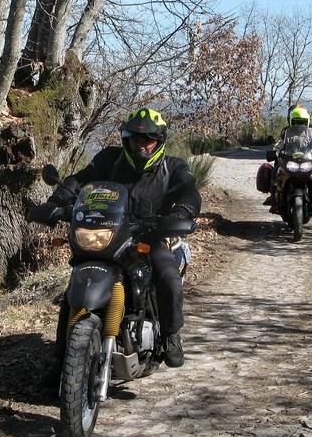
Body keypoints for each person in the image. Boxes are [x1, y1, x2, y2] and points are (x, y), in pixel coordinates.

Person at [29, 107, 201, 373]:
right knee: (74, 288)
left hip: (148, 237)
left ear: (159, 141)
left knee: (168, 277)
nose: (141, 146)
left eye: (148, 140)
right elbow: (79, 181)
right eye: (136, 139)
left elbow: (190, 193)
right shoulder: (110, 159)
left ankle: (170, 335)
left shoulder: (173, 167)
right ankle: (61, 359)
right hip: (107, 233)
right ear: (127, 139)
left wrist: (181, 213)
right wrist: (56, 203)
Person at [264, 104, 312, 210]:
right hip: (290, 158)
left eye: (301, 121)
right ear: (290, 119)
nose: (299, 124)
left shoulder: (311, 131)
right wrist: (274, 152)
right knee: (276, 170)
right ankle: (274, 196)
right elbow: (279, 143)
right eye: (296, 121)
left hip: (307, 158)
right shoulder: (286, 131)